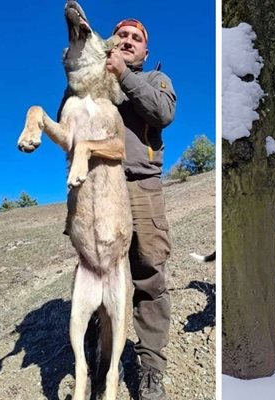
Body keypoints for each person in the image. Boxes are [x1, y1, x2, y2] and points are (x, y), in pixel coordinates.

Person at [106, 18, 176, 400]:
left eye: (137, 38)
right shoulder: (99, 80)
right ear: (111, 43)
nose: (130, 41)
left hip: (141, 187)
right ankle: (107, 359)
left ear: (146, 51)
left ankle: (150, 368)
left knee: (149, 276)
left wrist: (124, 77)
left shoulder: (155, 81)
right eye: (123, 37)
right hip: (101, 188)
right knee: (102, 276)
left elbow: (162, 114)